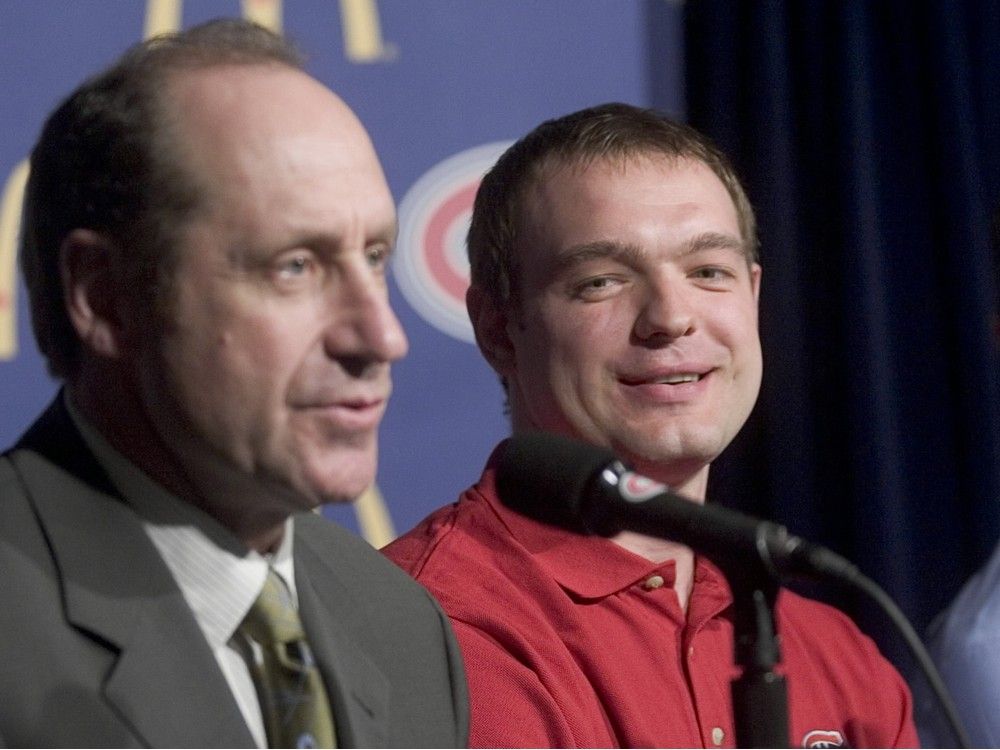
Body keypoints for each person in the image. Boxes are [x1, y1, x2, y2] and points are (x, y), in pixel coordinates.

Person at [383, 103, 917, 748]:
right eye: (601, 281)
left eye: (707, 273)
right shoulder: (430, 627)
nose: (670, 317)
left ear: (752, 296)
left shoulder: (842, 659)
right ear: (498, 328)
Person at [0, 19, 467, 748]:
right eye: (295, 267)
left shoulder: (403, 627)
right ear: (104, 297)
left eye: (374, 257)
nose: (381, 337)